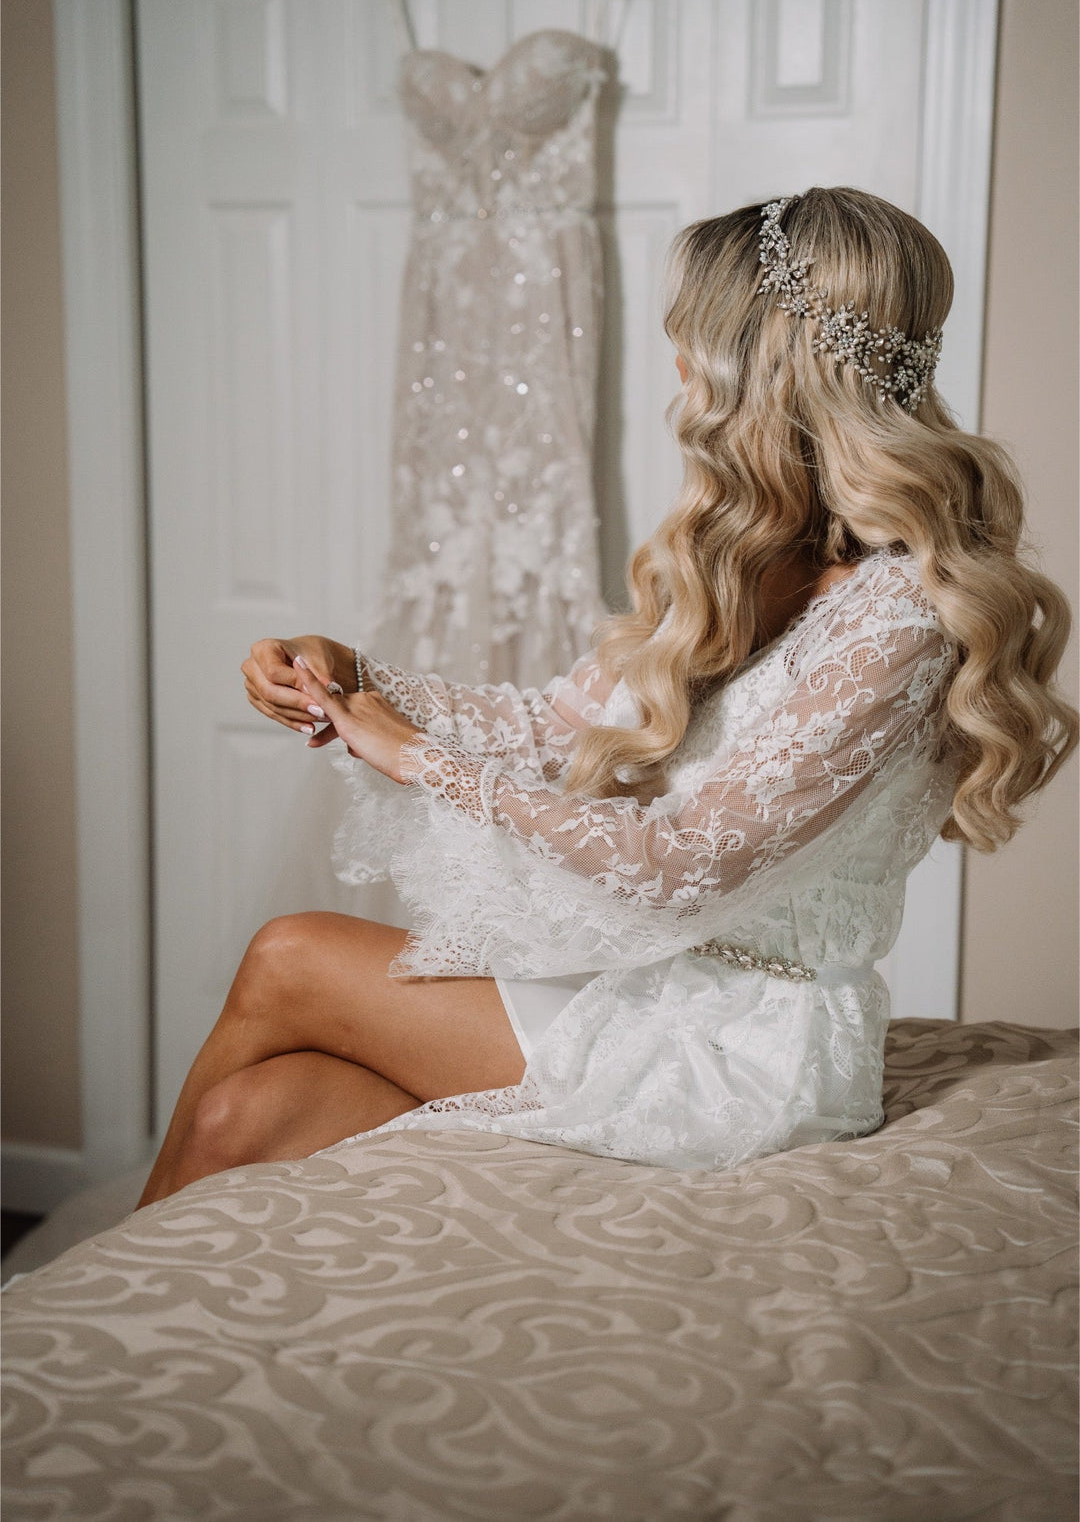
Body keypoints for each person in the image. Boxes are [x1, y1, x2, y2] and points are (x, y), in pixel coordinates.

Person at [138, 187, 1076, 1207]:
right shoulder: (754, 556)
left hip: (747, 1047)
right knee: (253, 1110)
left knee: (291, 956)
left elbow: (687, 861)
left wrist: (417, 758)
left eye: (694, 342)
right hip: (648, 987)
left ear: (763, 362)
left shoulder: (901, 615)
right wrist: (357, 677)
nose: (677, 370)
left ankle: (71, 1314)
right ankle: (96, 1309)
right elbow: (552, 725)